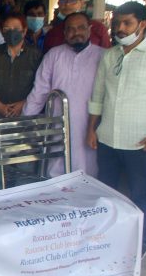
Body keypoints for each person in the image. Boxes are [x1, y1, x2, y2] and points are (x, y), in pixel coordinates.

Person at [87, 1, 146, 256]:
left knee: (140, 194)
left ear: (143, 24)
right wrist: (91, 129)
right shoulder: (110, 55)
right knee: (107, 193)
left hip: (140, 141)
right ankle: (107, 240)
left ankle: (139, 245)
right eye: (117, 22)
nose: (120, 28)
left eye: (127, 23)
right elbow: (98, 95)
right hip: (107, 138)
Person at [23, 12, 104, 177]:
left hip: (90, 126)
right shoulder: (53, 55)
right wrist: (27, 121)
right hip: (58, 124)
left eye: (81, 28)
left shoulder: (102, 56)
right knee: (56, 171)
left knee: (89, 172)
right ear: (65, 33)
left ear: (89, 29)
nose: (76, 33)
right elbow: (40, 91)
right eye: (71, 29)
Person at [0, 12, 42, 118]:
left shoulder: (36, 55)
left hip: (26, 114)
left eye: (16, 28)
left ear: (24, 31)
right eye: (6, 29)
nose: (11, 32)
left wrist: (24, 103)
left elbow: (41, 86)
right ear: (1, 32)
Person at [43, 0, 111, 52]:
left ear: (82, 3)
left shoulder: (97, 28)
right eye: (62, 1)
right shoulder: (52, 30)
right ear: (58, 4)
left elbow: (107, 55)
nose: (67, 4)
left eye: (72, 0)